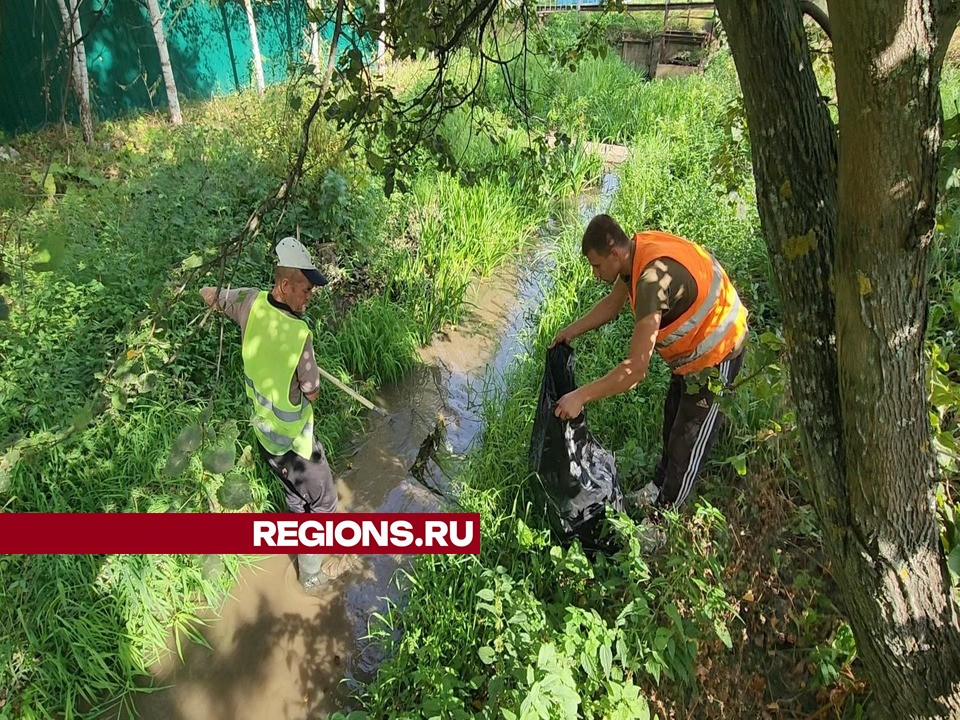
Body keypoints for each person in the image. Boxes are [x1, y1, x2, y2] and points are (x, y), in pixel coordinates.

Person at [551, 214, 748, 518]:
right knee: (672, 423)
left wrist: (581, 396)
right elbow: (612, 304)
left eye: (596, 265)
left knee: (687, 444)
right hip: (691, 356)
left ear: (614, 253)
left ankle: (662, 520)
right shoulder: (637, 250)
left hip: (719, 351)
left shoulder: (650, 281)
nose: (595, 273)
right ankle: (658, 486)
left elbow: (635, 370)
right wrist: (570, 331)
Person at [200, 236, 336, 591]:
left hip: (267, 442)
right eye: (305, 289)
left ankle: (301, 545)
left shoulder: (248, 301)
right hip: (296, 446)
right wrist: (311, 375)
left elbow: (207, 293)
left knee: (296, 496)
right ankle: (311, 575)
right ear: (285, 284)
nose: (310, 296)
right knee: (324, 504)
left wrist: (225, 305)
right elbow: (314, 393)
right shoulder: (300, 336)